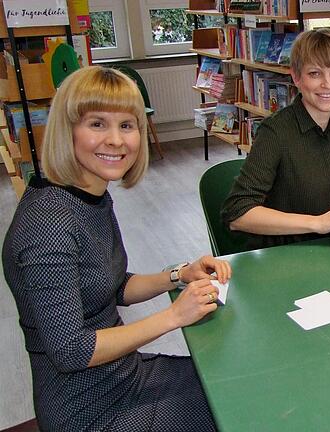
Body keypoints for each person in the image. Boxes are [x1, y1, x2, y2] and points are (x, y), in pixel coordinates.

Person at [2, 66, 231, 431]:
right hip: (89, 410)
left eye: (127, 125)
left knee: (236, 378)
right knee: (237, 409)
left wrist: (178, 275)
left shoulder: (87, 196)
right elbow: (71, 350)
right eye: (97, 124)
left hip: (124, 376)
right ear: (67, 130)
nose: (116, 140)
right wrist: (173, 317)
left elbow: (113, 285)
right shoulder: (48, 223)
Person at [222, 28, 330, 251]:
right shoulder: (275, 131)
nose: (327, 84)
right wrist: (318, 223)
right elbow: (237, 213)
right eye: (315, 73)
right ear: (296, 77)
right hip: (288, 255)